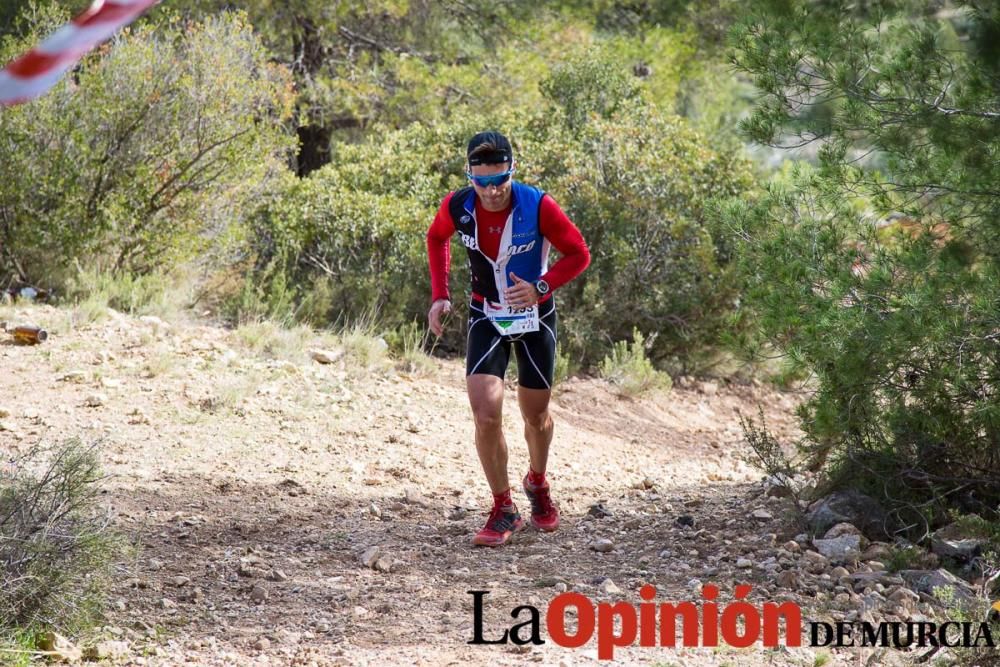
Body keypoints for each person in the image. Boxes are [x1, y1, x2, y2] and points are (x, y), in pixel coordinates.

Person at [426, 130, 590, 547]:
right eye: (482, 182)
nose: (493, 190)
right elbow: (435, 237)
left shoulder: (538, 205)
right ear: (470, 177)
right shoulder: (459, 206)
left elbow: (578, 254)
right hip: (486, 313)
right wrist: (440, 295)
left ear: (512, 170)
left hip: (535, 316)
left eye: (501, 179)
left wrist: (542, 285)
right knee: (485, 414)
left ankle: (537, 481)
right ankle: (503, 508)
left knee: (536, 415)